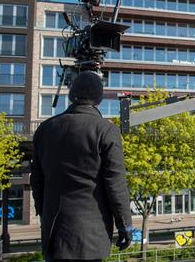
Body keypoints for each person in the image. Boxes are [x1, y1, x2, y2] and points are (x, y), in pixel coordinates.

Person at [31, 71, 133, 261]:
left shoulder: (45, 129)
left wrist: (44, 213)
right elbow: (115, 183)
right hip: (90, 237)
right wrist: (125, 225)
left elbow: (36, 181)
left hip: (54, 234)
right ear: (99, 98)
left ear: (71, 95)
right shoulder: (105, 130)